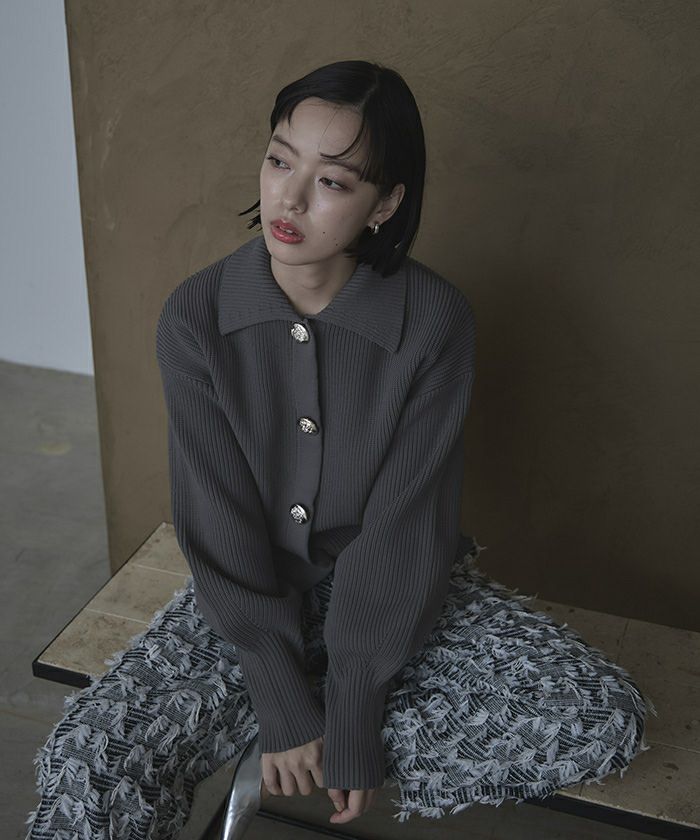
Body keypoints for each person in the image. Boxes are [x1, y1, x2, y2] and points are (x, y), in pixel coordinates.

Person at [25, 59, 654, 838]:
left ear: (385, 204)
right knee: (91, 761)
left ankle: (312, 733)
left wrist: (353, 714)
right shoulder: (196, 316)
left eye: (332, 181)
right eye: (279, 160)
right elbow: (218, 518)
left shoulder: (433, 322)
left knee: (595, 715)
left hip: (400, 593)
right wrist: (280, 694)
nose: (288, 199)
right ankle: (283, 722)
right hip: (246, 599)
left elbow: (405, 524)